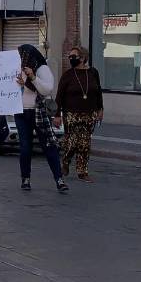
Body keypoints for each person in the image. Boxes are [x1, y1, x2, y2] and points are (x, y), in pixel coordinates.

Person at [14, 44, 69, 193]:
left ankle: (59, 179)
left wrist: (31, 78)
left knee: (48, 145)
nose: (22, 58)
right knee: (25, 147)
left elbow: (46, 89)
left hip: (38, 111)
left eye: (24, 55)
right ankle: (25, 178)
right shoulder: (16, 69)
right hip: (21, 112)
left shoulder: (41, 69)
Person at [55, 46, 104, 183]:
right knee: (72, 142)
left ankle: (82, 171)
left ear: (82, 58)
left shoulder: (93, 73)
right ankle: (66, 161)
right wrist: (57, 114)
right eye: (70, 57)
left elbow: (98, 91)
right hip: (71, 113)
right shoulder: (68, 75)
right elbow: (59, 96)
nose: (71, 59)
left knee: (84, 143)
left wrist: (100, 109)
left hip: (89, 113)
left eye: (74, 56)